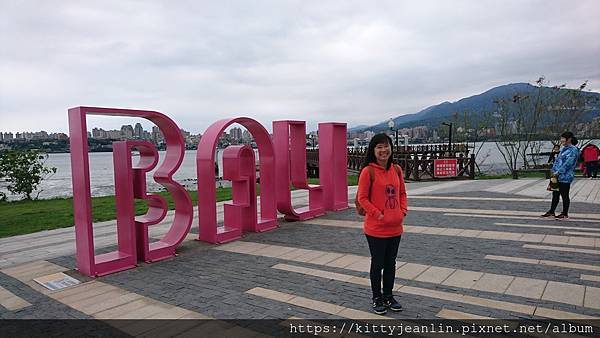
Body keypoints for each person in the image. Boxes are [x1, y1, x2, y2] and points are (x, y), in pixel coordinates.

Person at [356, 133, 407, 315]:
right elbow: (362, 198)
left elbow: (402, 193)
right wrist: (378, 215)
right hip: (376, 228)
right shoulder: (367, 172)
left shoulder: (397, 170)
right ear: (373, 150)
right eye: (379, 147)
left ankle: (388, 295)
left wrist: (402, 212)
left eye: (386, 146)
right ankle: (377, 297)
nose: (383, 150)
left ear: (391, 148)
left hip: (395, 227)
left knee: (391, 263)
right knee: (378, 264)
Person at [541, 132, 580, 220]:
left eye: (563, 138)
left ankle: (565, 214)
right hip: (556, 176)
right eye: (561, 138)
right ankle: (551, 212)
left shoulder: (573, 150)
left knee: (564, 195)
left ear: (569, 139)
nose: (561, 140)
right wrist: (554, 172)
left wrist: (559, 172)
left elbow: (568, 164)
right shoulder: (563, 149)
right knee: (555, 194)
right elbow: (558, 161)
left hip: (565, 176)